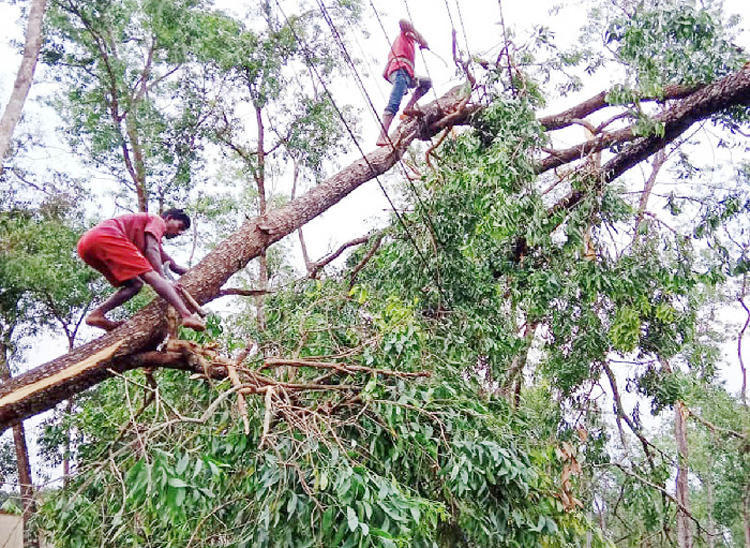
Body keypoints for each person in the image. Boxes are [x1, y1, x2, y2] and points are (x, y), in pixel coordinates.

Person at [77, 208, 205, 332]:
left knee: (135, 284)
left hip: (87, 246)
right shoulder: (158, 221)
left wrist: (182, 270)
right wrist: (163, 279)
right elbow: (152, 250)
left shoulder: (149, 234)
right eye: (180, 227)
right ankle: (186, 315)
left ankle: (97, 314)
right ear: (169, 218)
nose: (179, 233)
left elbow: (165, 258)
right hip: (106, 236)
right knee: (151, 275)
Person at [376, 19, 432, 146]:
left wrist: (421, 42)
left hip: (409, 75)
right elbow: (403, 21)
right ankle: (382, 136)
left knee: (427, 82)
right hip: (400, 71)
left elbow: (385, 74)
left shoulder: (411, 43)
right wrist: (420, 38)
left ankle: (409, 107)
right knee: (394, 103)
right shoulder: (403, 35)